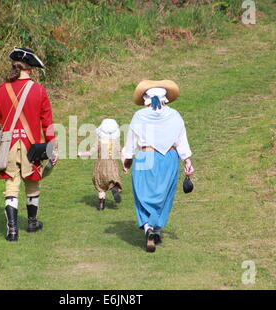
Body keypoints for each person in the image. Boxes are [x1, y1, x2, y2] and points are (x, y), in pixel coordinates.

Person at [0, 47, 57, 242]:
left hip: (8, 145)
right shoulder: (39, 90)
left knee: (11, 183)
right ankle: (32, 222)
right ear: (30, 69)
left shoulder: (1, 90)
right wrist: (52, 146)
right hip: (31, 144)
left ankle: (12, 230)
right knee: (33, 181)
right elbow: (48, 123)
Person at [121, 80, 194, 253]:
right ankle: (157, 230)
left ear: (146, 99)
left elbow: (131, 144)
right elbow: (181, 141)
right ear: (165, 99)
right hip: (168, 157)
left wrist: (127, 161)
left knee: (143, 194)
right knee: (164, 195)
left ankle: (148, 228)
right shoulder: (175, 115)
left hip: (145, 156)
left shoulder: (139, 116)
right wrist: (188, 161)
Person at [78, 119, 123, 210]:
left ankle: (101, 205)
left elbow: (90, 153)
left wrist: (80, 153)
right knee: (113, 181)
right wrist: (125, 166)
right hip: (112, 165)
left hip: (100, 165)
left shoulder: (99, 141)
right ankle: (114, 189)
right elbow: (121, 153)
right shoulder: (115, 142)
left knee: (100, 186)